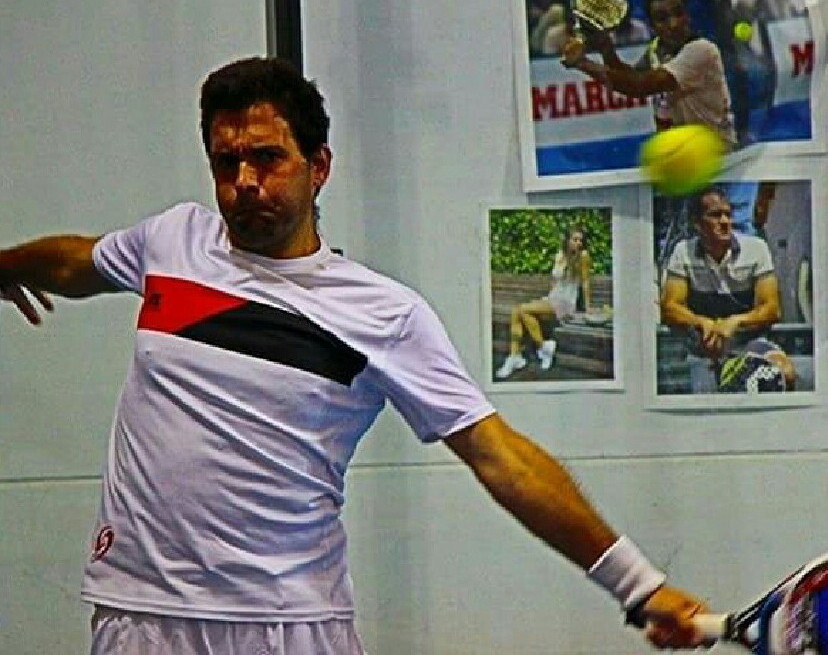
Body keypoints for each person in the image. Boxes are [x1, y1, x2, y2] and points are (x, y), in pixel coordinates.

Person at [0, 56, 707, 654]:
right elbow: (75, 263)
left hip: (287, 625)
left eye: (268, 158)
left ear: (319, 166)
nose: (244, 181)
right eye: (226, 161)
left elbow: (502, 458)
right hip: (136, 614)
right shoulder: (172, 242)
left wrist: (638, 585)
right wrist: (4, 265)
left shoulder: (383, 313)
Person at [562, 0, 738, 148]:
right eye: (662, 18)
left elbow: (640, 86)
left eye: (678, 13)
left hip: (717, 154)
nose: (673, 24)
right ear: (652, 26)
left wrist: (583, 63)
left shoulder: (701, 50)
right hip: (680, 152)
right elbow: (630, 77)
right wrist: (606, 48)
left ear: (688, 16)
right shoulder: (656, 49)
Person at [660, 185, 794, 393]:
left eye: (728, 215)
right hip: (700, 348)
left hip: (748, 344)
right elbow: (669, 307)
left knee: (785, 372)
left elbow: (772, 309)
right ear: (697, 223)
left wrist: (735, 322)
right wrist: (701, 322)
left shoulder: (756, 248)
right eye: (715, 215)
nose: (724, 221)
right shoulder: (682, 252)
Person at [496, 226, 593, 379]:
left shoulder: (583, 256)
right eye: (575, 239)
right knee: (517, 311)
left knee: (522, 310)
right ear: (567, 240)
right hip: (553, 300)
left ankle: (537, 349)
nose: (578, 243)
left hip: (566, 303)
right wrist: (548, 299)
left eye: (580, 240)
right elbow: (554, 282)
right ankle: (519, 355)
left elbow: (586, 282)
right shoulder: (560, 255)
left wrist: (588, 308)